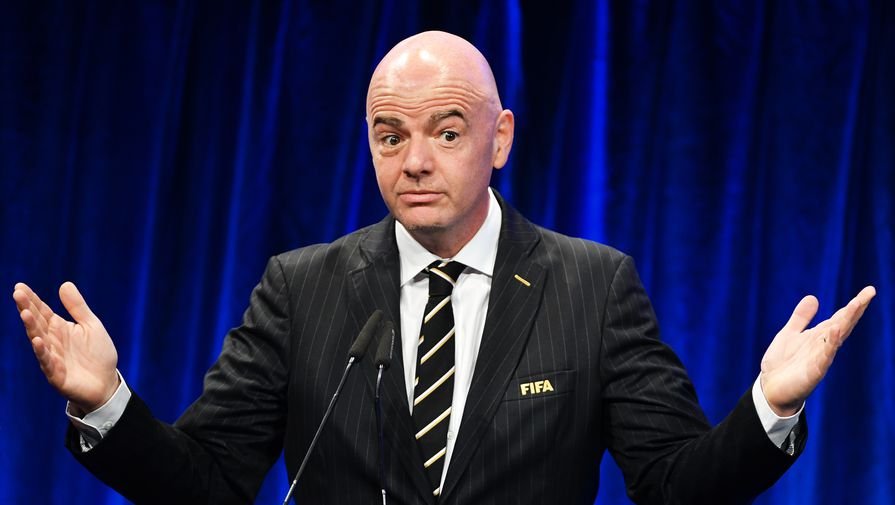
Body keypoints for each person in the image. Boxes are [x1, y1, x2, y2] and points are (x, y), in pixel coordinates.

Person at [13, 31, 876, 505]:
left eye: (447, 131)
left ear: (499, 138)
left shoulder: (591, 285)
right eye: (390, 135)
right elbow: (207, 483)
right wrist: (108, 401)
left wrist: (769, 405)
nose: (415, 160)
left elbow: (673, 485)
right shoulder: (301, 289)